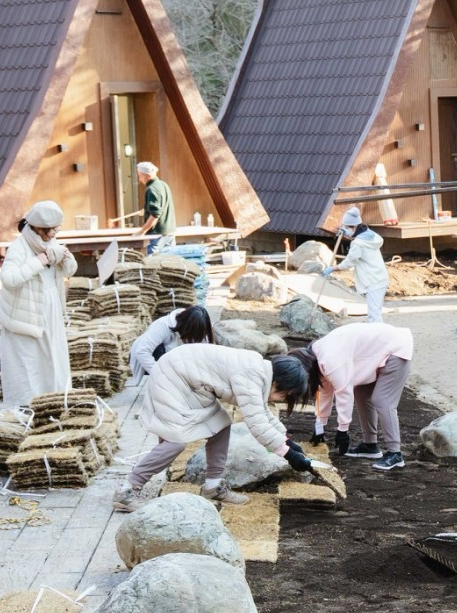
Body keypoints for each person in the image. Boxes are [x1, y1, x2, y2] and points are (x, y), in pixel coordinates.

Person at [115, 344, 314, 511]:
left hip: (193, 384)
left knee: (220, 426)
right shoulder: (251, 375)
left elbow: (262, 412)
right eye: (285, 396)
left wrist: (287, 441)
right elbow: (257, 423)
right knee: (174, 441)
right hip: (172, 379)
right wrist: (288, 454)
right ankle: (127, 491)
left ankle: (212, 486)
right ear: (279, 383)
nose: (282, 400)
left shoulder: (261, 373)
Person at [285, 322, 416, 472]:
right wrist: (319, 426)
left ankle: (395, 453)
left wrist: (343, 431)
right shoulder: (316, 356)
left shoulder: (330, 360)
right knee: (361, 393)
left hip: (395, 348)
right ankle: (370, 446)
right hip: (373, 354)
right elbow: (324, 390)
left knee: (382, 400)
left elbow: (343, 393)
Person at [0, 201, 77, 407]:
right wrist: (38, 262)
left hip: (49, 307)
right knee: (28, 365)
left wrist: (64, 259)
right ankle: (28, 408)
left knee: (53, 359)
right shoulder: (18, 248)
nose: (53, 234)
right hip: (24, 315)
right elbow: (9, 279)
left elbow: (70, 270)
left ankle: (56, 403)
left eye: (56, 230)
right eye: (51, 230)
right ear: (38, 228)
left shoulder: (50, 242)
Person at [129, 305, 212, 385]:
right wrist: (161, 376)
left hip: (172, 357)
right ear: (187, 329)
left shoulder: (198, 326)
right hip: (146, 357)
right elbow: (142, 351)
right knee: (159, 350)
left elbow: (204, 351)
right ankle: (160, 381)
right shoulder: (162, 326)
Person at [333, 210, 389, 322]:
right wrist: (349, 235)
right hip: (380, 278)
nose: (346, 230)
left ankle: (379, 337)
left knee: (374, 316)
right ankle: (378, 336)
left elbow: (350, 262)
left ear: (353, 227)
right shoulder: (370, 235)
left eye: (347, 227)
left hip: (372, 281)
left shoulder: (358, 244)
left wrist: (333, 268)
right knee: (375, 313)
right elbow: (357, 237)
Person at [134, 162, 176, 253]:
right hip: (170, 232)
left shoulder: (152, 189)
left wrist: (142, 231)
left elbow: (155, 214)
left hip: (157, 235)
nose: (139, 179)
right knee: (171, 263)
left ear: (147, 176)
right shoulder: (163, 185)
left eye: (140, 175)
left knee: (153, 264)